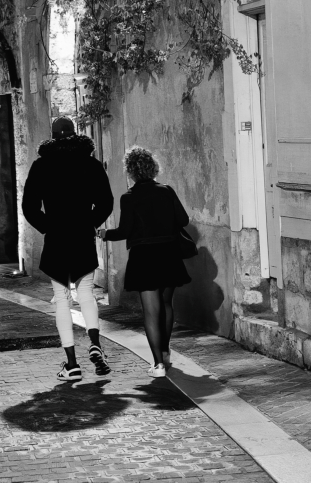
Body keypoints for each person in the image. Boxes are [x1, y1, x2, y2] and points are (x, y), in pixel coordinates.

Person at [22, 116, 114, 381]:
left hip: (57, 238)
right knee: (86, 293)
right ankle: (96, 343)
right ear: (75, 134)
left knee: (61, 299)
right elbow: (106, 202)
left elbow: (29, 207)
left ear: (52, 136)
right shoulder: (91, 164)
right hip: (82, 236)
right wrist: (89, 222)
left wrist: (48, 226)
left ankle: (72, 364)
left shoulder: (41, 165)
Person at [98, 146, 191, 378]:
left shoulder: (129, 197)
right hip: (169, 253)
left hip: (144, 257)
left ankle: (158, 364)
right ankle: (166, 352)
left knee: (151, 311)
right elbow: (183, 219)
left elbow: (125, 230)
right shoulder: (166, 191)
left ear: (130, 171)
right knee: (167, 304)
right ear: (152, 167)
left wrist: (105, 234)